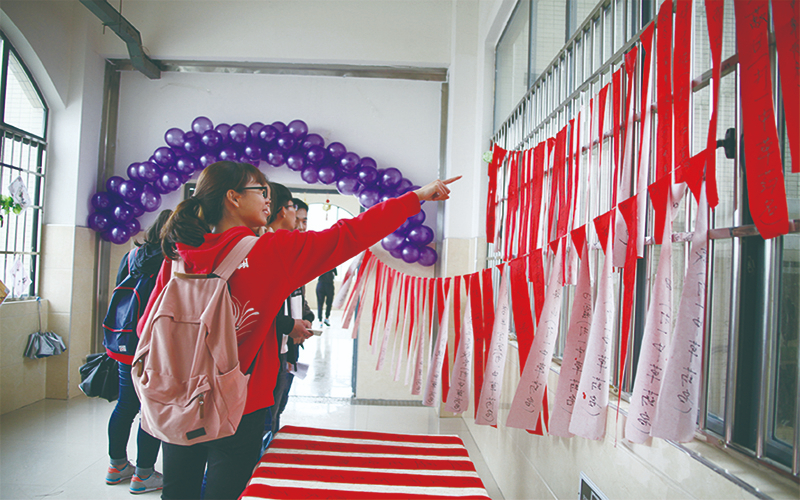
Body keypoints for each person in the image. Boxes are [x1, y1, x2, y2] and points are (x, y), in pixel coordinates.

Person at [139, 160, 457, 500]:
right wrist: (415, 198)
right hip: (240, 401)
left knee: (177, 489)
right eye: (260, 190)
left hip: (177, 392)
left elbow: (149, 325)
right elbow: (349, 235)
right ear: (233, 198)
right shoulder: (271, 252)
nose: (268, 200)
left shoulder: (179, 254)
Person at [105, 209, 171, 495]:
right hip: (153, 346)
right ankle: (144, 473)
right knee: (150, 409)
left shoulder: (131, 257)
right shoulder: (171, 261)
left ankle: (116, 466)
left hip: (124, 342)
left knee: (125, 405)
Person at [262, 184, 314, 446]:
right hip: (267, 348)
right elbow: (262, 307)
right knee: (264, 416)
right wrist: (288, 324)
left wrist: (305, 318)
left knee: (275, 411)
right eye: (298, 215)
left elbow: (294, 297)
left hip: (286, 347)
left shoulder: (289, 248)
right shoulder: (261, 247)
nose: (302, 225)